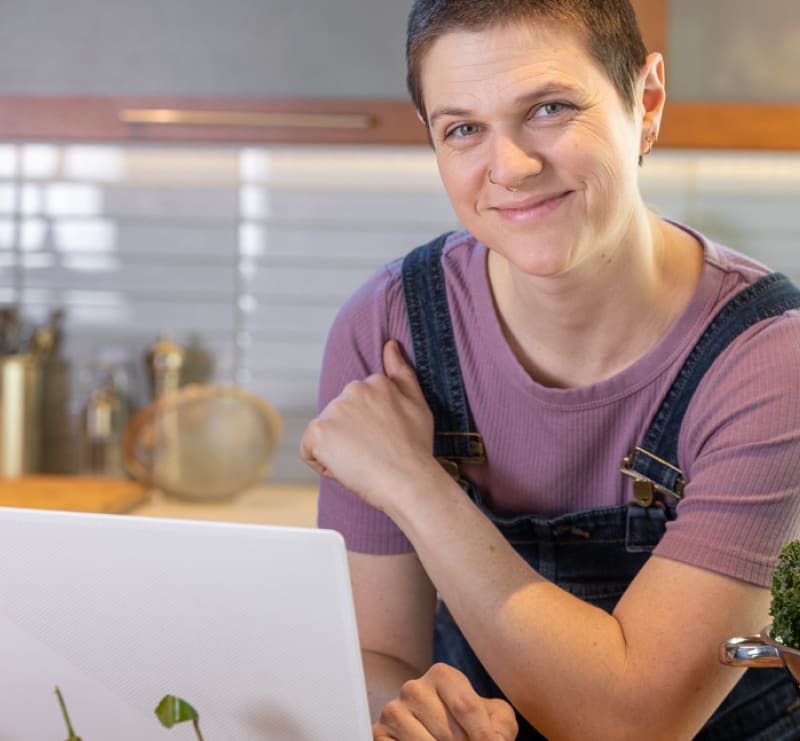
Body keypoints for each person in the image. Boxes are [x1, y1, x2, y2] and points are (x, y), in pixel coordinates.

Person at [300, 1, 800, 738]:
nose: (509, 167)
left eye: (549, 108)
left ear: (647, 101)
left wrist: (413, 483)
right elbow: (377, 655)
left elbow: (636, 722)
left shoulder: (766, 357)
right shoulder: (385, 328)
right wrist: (409, 715)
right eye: (464, 128)